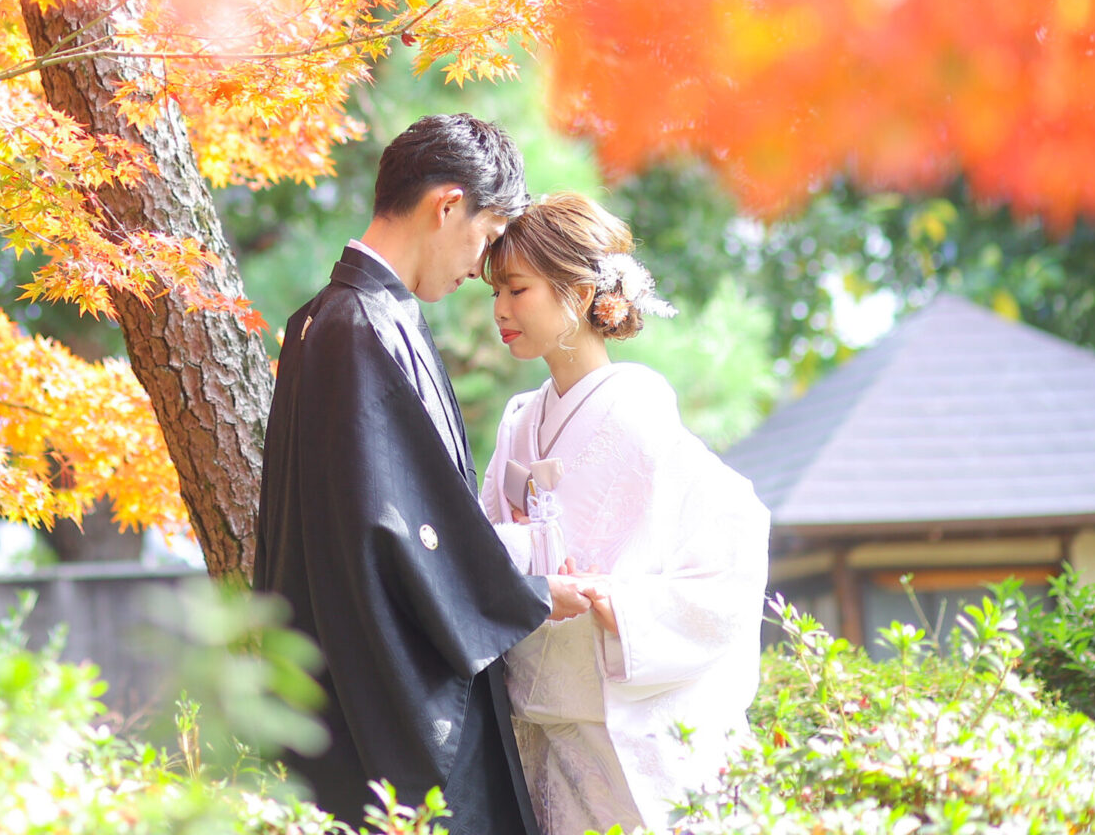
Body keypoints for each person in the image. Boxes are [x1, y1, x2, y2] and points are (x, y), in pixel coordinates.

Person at [254, 115, 605, 835]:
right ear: (447, 206)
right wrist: (529, 592)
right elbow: (401, 529)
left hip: (335, 686)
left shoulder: (321, 320)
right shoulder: (366, 328)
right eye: (483, 237)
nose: (479, 267)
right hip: (393, 704)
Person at [481, 193, 770, 835]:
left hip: (616, 712)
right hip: (539, 715)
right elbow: (484, 546)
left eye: (517, 289)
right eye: (493, 291)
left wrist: (629, 608)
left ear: (580, 290)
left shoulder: (640, 414)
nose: (499, 310)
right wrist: (525, 556)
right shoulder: (518, 422)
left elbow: (733, 538)